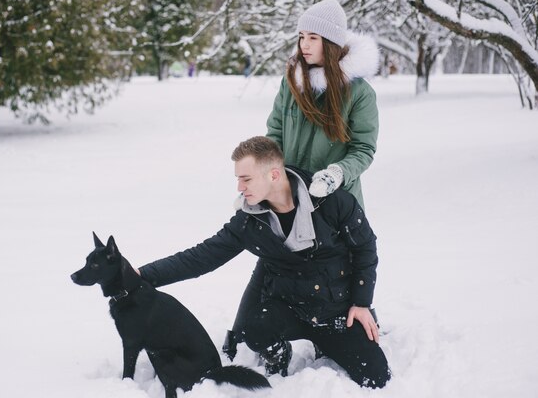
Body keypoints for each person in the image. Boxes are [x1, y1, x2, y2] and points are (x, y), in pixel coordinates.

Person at [138, 136, 391, 388]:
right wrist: (142, 274)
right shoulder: (248, 221)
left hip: (335, 312)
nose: (239, 187)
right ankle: (280, 356)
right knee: (255, 329)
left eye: (245, 179)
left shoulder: (331, 202)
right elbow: (201, 257)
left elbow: (365, 248)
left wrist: (361, 302)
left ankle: (332, 340)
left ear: (273, 175)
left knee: (377, 377)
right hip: (288, 308)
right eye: (238, 178)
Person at [226, 0, 382, 367]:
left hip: (334, 201)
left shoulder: (358, 93)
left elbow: (363, 148)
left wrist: (337, 173)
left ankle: (355, 321)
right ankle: (246, 332)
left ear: (331, 42)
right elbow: (273, 135)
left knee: (340, 268)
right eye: (301, 36)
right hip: (288, 196)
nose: (304, 45)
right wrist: (263, 185)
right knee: (272, 262)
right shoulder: (291, 83)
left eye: (313, 37)